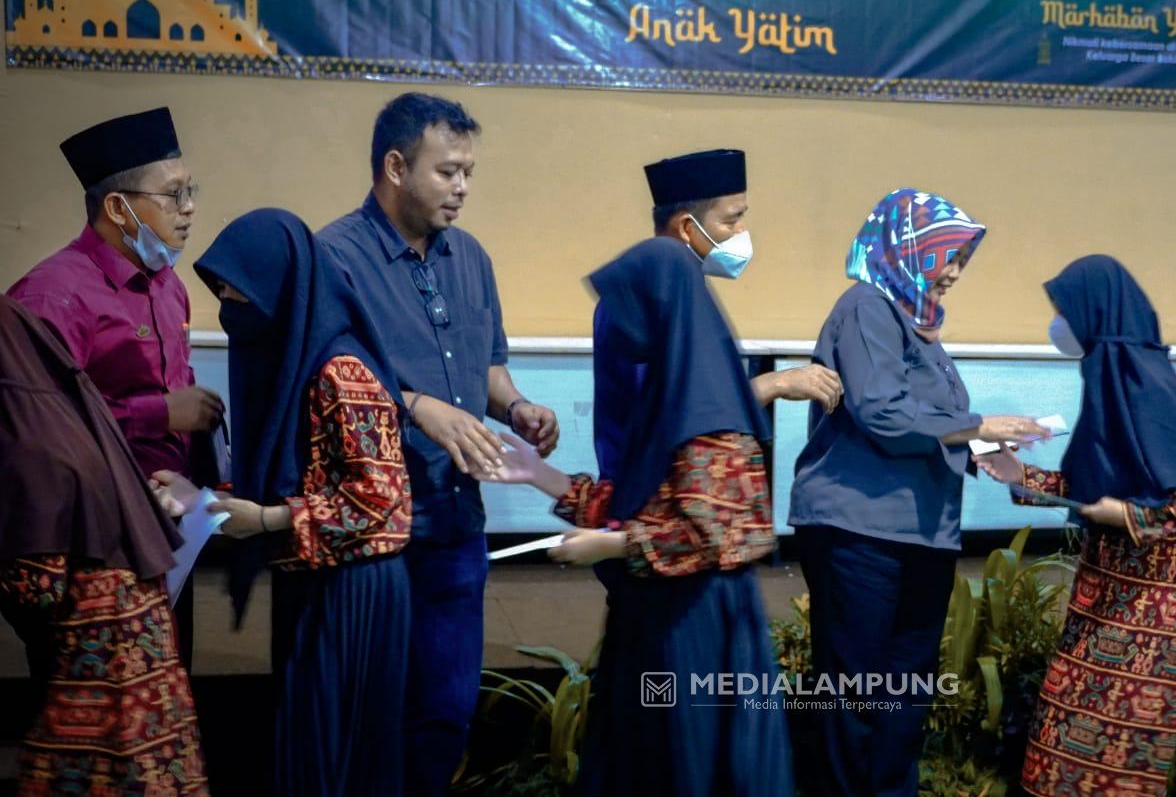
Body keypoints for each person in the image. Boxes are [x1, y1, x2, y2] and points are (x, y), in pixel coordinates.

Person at [318, 92, 559, 796]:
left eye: (469, 173)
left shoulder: (470, 256)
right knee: (373, 716)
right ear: (396, 166)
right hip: (373, 532)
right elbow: (321, 385)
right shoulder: (336, 258)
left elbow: (486, 365)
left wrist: (516, 406)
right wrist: (417, 406)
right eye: (448, 171)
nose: (462, 188)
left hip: (456, 522)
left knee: (447, 713)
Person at [493, 237, 793, 797]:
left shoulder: (710, 407)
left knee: (686, 760)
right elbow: (646, 506)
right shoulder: (672, 391)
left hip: (696, 629)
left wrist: (605, 547)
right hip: (658, 625)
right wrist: (541, 475)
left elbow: (713, 536)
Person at [788, 188, 1048, 797]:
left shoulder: (921, 325)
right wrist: (978, 426)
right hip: (860, 532)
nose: (955, 271)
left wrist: (983, 451)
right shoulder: (866, 307)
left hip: (922, 533)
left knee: (905, 693)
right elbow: (882, 413)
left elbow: (932, 423)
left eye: (962, 259)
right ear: (906, 249)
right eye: (945, 256)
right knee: (854, 695)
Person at [980, 255, 1176, 797]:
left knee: (1124, 736)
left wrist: (1130, 515)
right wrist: (1019, 474)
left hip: (1148, 602)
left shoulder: (1145, 380)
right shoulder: (1108, 374)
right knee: (1066, 727)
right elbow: (1092, 489)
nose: (1058, 325)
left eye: (1064, 311)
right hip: (1104, 588)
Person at [196, 209, 411, 797]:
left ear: (285, 282)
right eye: (221, 290)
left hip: (354, 588)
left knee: (335, 755)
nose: (230, 301)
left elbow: (381, 503)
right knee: (311, 747)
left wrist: (267, 519)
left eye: (240, 285)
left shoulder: (342, 369)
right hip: (316, 577)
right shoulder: (298, 365)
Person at [7, 106, 223, 671]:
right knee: (90, 712)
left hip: (171, 525)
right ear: (118, 207)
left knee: (171, 689)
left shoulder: (167, 285)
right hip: (94, 541)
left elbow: (179, 389)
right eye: (173, 194)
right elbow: (36, 435)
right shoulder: (52, 297)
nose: (189, 207)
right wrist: (158, 415)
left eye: (190, 190)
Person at [0, 295, 208, 796]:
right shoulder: (73, 425)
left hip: (104, 682)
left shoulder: (27, 448)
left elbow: (38, 587)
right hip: (148, 670)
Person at [592, 148, 842, 476]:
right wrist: (773, 384)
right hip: (650, 498)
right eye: (731, 220)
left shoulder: (683, 294)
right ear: (686, 227)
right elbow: (665, 415)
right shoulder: (643, 302)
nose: (741, 232)